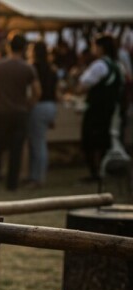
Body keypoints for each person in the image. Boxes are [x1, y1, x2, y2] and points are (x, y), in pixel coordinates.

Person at [0, 33, 40, 191]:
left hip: (0, 111)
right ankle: (12, 184)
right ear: (24, 49)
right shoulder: (28, 68)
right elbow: (37, 91)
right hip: (20, 113)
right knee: (16, 150)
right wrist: (29, 104)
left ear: (9, 47)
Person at [77, 34, 123, 182]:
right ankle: (101, 171)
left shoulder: (100, 65)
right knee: (103, 140)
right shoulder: (118, 65)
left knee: (90, 141)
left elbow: (84, 84)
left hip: (96, 109)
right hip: (110, 109)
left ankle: (95, 172)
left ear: (101, 48)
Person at [26, 41, 58, 188]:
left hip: (39, 106)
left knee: (38, 143)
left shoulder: (33, 68)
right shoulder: (52, 69)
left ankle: (38, 178)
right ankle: (34, 176)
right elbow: (56, 92)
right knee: (37, 142)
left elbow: (35, 92)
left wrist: (29, 104)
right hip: (51, 106)